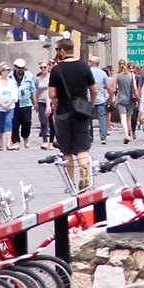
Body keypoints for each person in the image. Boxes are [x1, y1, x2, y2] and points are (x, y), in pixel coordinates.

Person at [47, 40, 99, 188]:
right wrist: (91, 103)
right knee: (83, 148)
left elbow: (52, 94)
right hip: (81, 112)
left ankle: (71, 183)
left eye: (57, 49)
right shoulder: (84, 66)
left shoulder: (57, 70)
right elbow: (94, 89)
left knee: (67, 151)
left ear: (63, 51)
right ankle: (85, 175)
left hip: (63, 112)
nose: (56, 52)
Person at [112, 60, 139, 142]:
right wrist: (137, 99)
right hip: (130, 100)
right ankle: (129, 132)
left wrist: (114, 99)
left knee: (123, 118)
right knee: (129, 118)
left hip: (121, 99)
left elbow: (114, 89)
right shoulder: (132, 76)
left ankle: (126, 134)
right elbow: (135, 88)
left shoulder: (117, 76)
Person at [90, 59, 111, 145]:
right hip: (100, 98)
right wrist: (110, 96)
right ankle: (103, 137)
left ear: (93, 62)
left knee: (88, 118)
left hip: (89, 98)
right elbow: (108, 85)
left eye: (90, 60)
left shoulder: (88, 71)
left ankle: (90, 137)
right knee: (102, 117)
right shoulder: (103, 73)